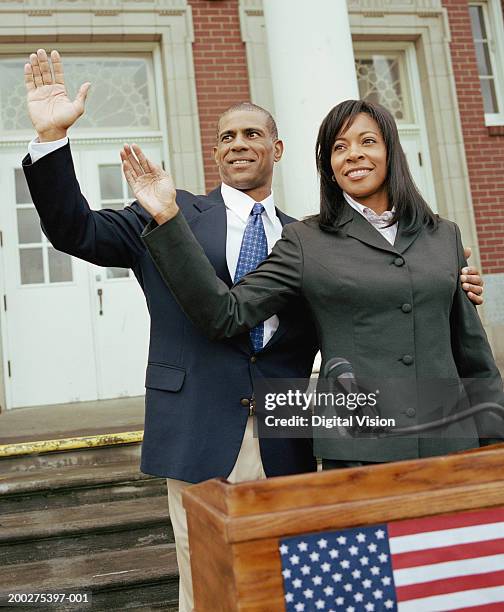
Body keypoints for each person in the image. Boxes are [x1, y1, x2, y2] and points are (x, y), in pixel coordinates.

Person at [22, 49, 482, 609]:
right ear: (215, 152)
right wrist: (50, 139)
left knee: (290, 585)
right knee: (208, 583)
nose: (237, 143)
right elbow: (75, 231)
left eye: (251, 133)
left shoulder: (317, 240)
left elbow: (368, 309)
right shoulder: (164, 211)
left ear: (277, 150)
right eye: (226, 137)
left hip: (289, 434)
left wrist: (445, 284)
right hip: (199, 432)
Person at [127, 99, 503, 466]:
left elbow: (473, 352)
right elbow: (225, 314)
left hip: (452, 441)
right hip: (362, 448)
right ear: (329, 166)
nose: (353, 154)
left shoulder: (444, 235)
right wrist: (168, 218)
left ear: (392, 152)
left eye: (367, 141)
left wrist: (495, 439)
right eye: (339, 147)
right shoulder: (305, 241)